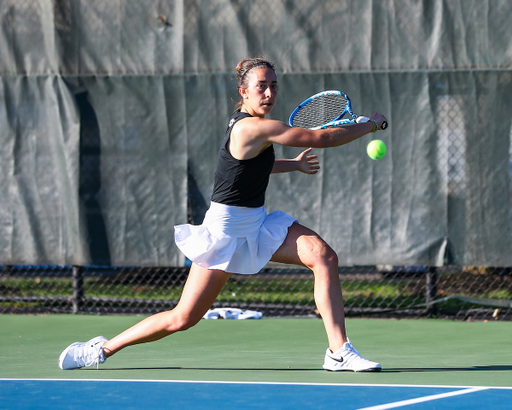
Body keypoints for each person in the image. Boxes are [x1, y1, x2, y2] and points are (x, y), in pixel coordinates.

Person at [58, 57, 388, 372]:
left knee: (323, 256)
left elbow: (249, 168)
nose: (270, 93)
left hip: (258, 225)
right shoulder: (250, 129)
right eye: (262, 86)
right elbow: (319, 138)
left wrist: (295, 164)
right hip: (225, 233)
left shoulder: (255, 128)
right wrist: (370, 125)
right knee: (182, 319)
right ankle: (100, 349)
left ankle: (338, 351)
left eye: (274, 85)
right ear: (244, 92)